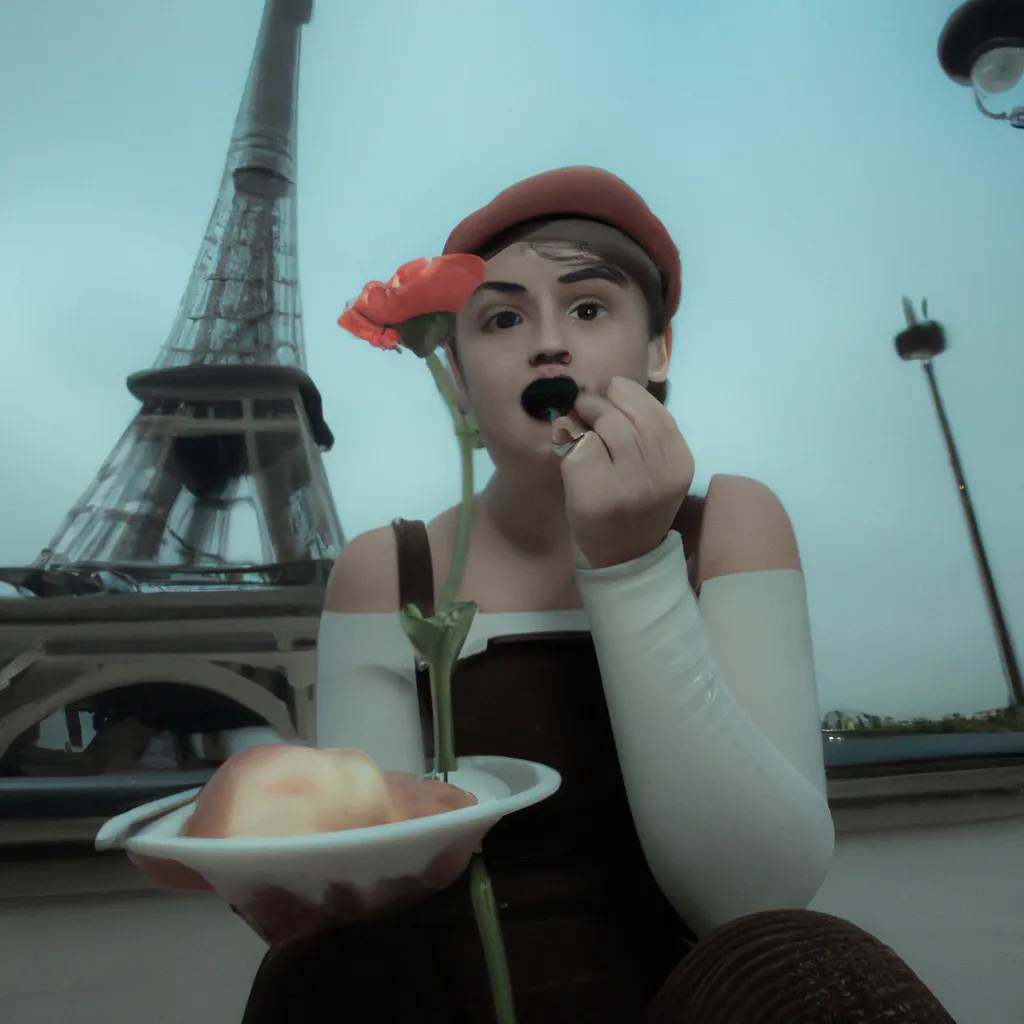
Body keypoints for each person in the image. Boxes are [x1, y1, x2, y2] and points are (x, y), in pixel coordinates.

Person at [240, 167, 955, 1022]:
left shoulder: (733, 524)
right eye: (502, 318)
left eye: (589, 308)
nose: (549, 344)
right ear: (458, 377)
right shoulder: (386, 570)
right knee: (314, 976)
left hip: (694, 997)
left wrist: (631, 564)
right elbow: (375, 890)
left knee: (811, 963)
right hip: (450, 998)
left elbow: (758, 893)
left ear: (658, 351)